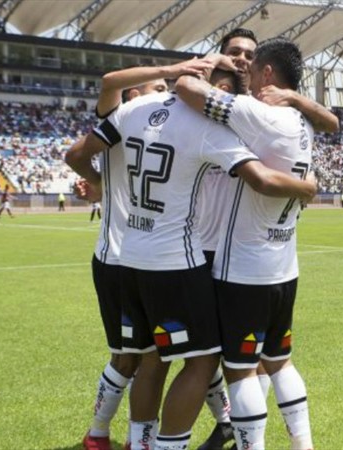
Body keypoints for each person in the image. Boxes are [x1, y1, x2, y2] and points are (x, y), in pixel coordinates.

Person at [69, 62, 316, 450]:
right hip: (175, 261)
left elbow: (76, 153)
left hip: (126, 257)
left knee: (150, 361)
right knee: (203, 362)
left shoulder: (135, 109)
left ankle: (139, 443)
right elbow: (262, 179)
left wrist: (103, 187)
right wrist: (307, 185)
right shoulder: (207, 128)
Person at [66, 59, 235, 450]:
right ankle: (103, 435)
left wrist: (99, 183)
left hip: (140, 256)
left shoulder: (141, 120)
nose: (163, 93)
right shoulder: (124, 112)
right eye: (154, 87)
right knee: (136, 360)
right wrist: (101, 184)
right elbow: (108, 81)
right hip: (124, 258)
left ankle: (138, 439)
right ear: (133, 92)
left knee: (163, 355)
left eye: (165, 87)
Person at [194, 28, 339, 450]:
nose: (247, 70)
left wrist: (202, 66)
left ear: (268, 71)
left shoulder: (256, 113)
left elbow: (187, 89)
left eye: (252, 64)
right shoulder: (300, 122)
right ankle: (302, 445)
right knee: (279, 363)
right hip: (283, 265)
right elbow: (330, 121)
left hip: (243, 267)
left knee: (240, 370)